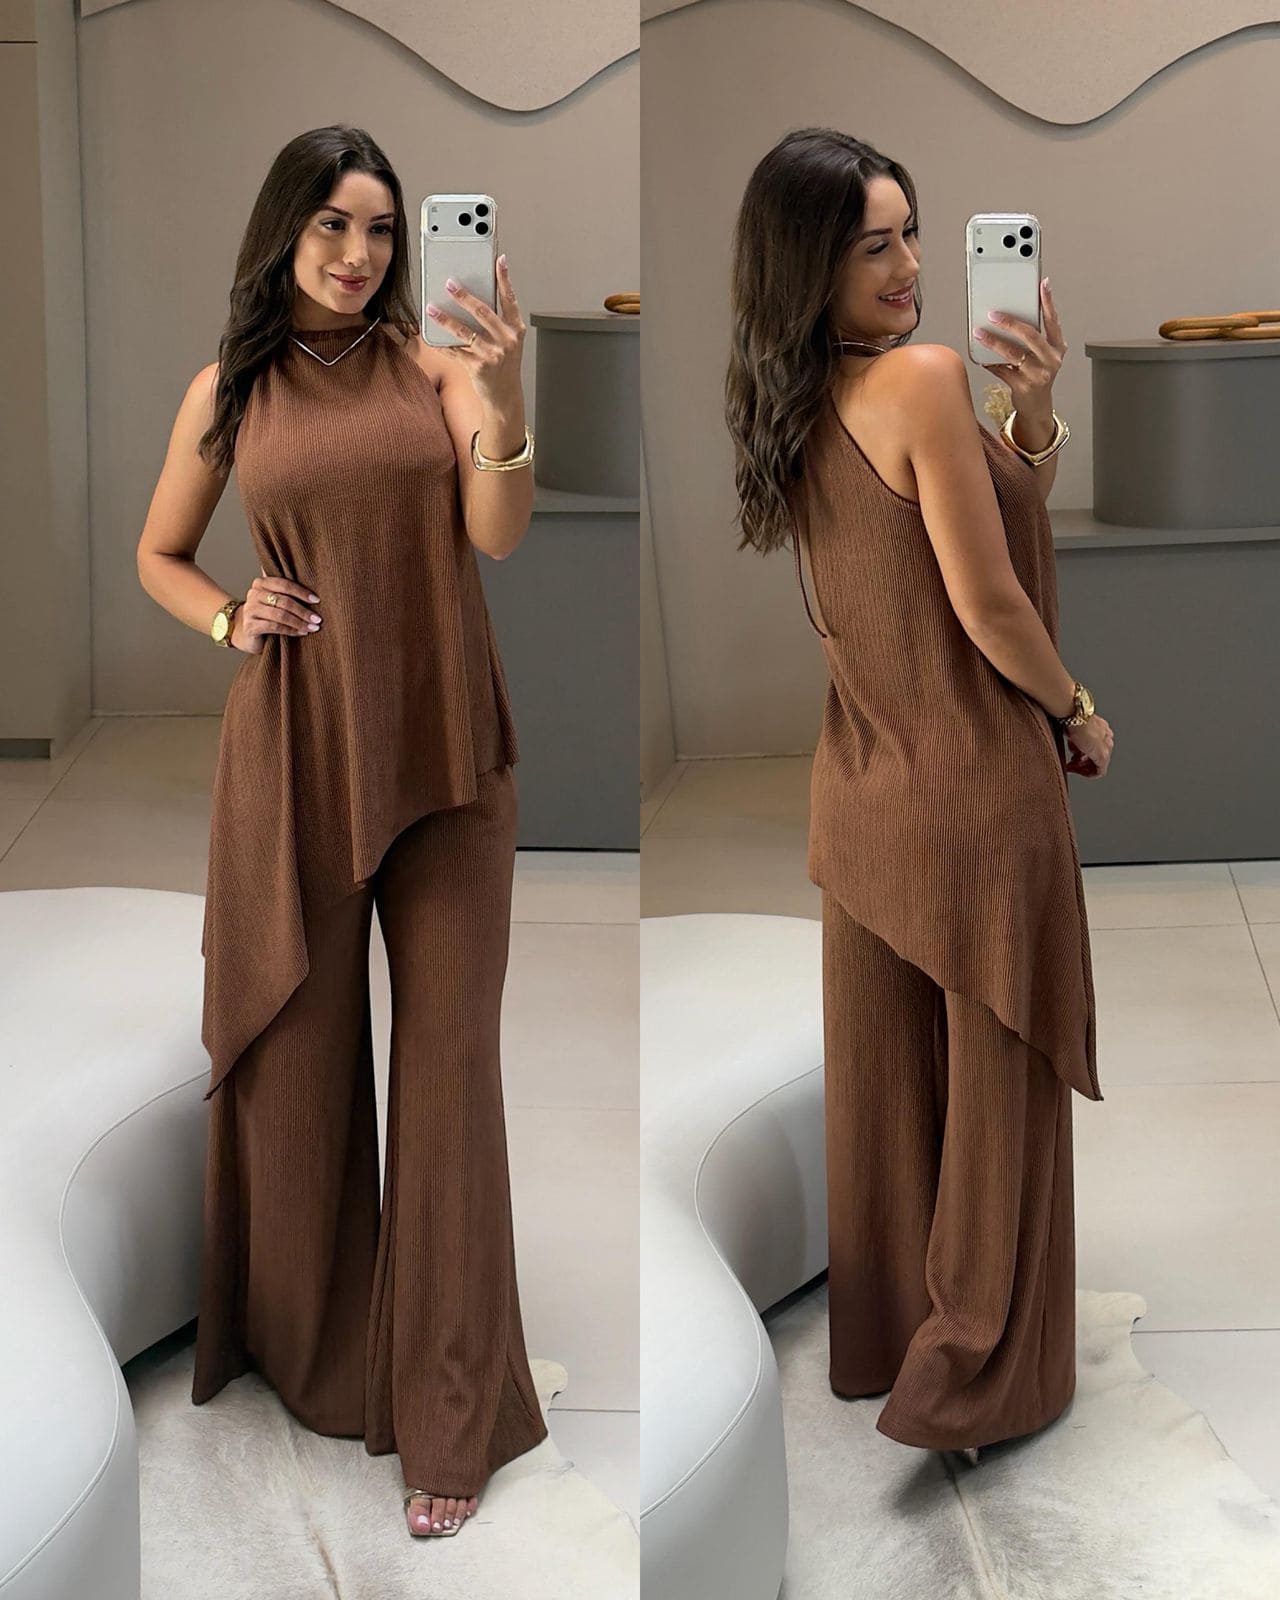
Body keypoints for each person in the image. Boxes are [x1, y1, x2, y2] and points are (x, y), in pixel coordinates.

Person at [136, 124, 545, 1537]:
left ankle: (451, 1409)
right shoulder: (228, 389)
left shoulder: (438, 367)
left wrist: (499, 392)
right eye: (332, 225)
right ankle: (315, 1353)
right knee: (298, 1073)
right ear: (284, 231)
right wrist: (225, 616)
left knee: (450, 1084)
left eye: (380, 229)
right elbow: (160, 552)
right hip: (298, 752)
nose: (361, 254)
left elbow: (498, 532)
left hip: (447, 754)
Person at [723, 127, 1115, 1466]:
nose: (904, 266)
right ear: (809, 265)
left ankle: (893, 1340)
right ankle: (983, 1376)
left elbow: (980, 511)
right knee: (998, 1091)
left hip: (863, 786)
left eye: (909, 234)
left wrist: (1031, 413)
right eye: (869, 246)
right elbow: (989, 599)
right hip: (975, 787)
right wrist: (1075, 708)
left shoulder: (795, 395)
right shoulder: (924, 376)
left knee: (885, 1090)